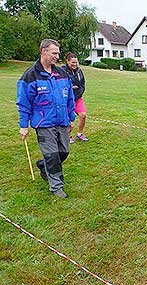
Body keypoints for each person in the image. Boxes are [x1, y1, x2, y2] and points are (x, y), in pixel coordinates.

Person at [17, 39, 75, 198]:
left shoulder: (62, 74)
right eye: (54, 53)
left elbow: (70, 97)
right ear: (43, 51)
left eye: (58, 53)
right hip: (44, 123)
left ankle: (44, 166)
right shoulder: (30, 76)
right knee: (52, 154)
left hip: (62, 120)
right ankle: (56, 186)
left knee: (64, 151)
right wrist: (23, 125)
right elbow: (23, 103)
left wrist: (71, 117)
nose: (58, 56)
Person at [61, 52, 88, 143]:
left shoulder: (79, 71)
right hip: (66, 99)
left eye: (76, 62)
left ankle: (79, 134)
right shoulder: (62, 71)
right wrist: (70, 87)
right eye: (73, 62)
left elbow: (82, 83)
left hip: (78, 98)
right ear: (67, 61)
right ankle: (68, 136)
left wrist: (80, 92)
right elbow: (59, 84)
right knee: (68, 119)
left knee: (83, 115)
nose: (75, 64)